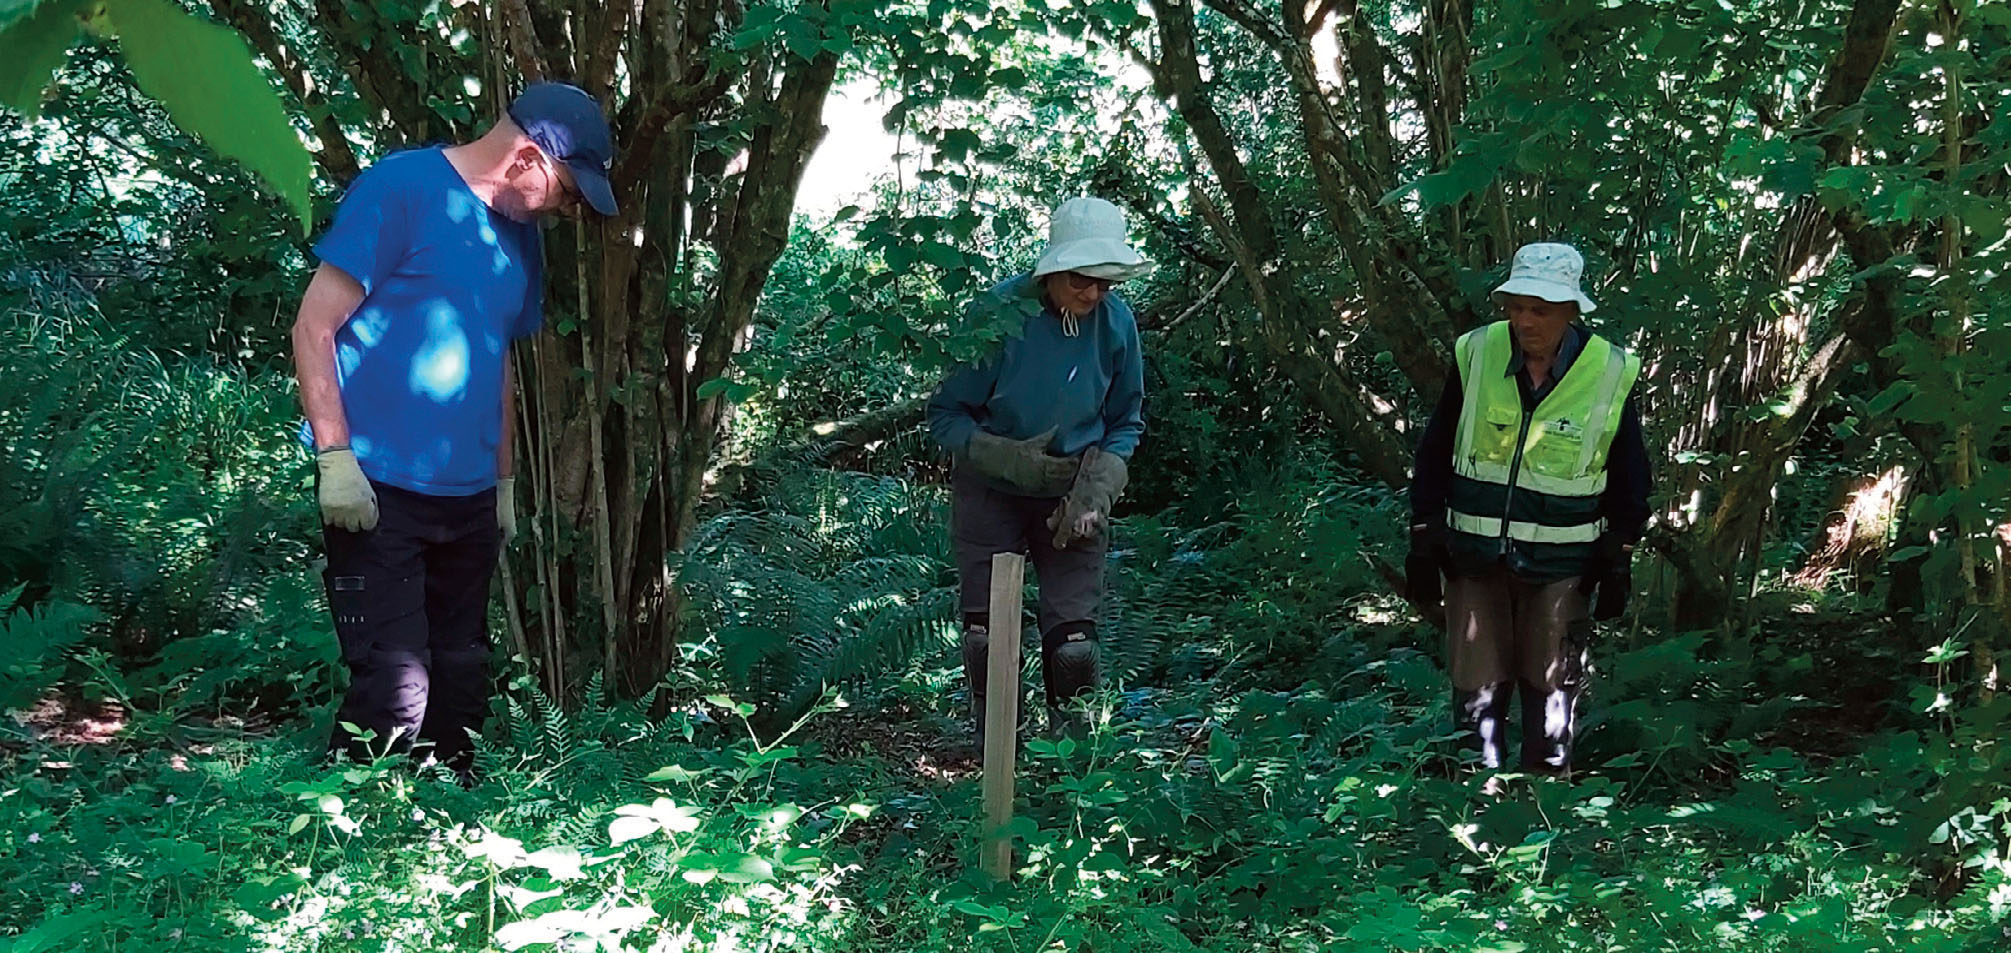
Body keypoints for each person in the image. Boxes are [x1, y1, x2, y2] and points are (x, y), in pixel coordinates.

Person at [291, 82, 617, 778]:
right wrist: (335, 458)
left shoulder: (519, 240)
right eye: (564, 190)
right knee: (392, 687)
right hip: (377, 487)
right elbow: (314, 326)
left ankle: (449, 842)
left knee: (461, 685)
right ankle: (352, 833)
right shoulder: (399, 189)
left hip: (467, 496)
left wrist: (501, 481)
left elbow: (495, 360)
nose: (564, 211)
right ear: (527, 157)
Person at [1405, 242, 1650, 776]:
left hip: (1564, 566)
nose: (1524, 320)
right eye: (1516, 306)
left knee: (1552, 687)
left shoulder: (1609, 370)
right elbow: (1436, 445)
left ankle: (1546, 805)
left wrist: (1621, 550)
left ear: (1571, 311)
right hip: (1472, 557)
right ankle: (1476, 800)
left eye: (1540, 309)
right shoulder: (1476, 353)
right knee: (1476, 688)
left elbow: (1631, 471)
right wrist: (1424, 532)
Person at [927, 197, 1150, 743]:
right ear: (1053, 270)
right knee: (988, 638)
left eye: (1106, 283)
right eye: (1082, 280)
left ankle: (1069, 771)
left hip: (1072, 493)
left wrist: (1098, 491)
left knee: (1075, 646)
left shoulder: (1117, 325)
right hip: (990, 494)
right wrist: (999, 455)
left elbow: (1127, 420)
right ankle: (995, 761)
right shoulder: (998, 315)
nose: (1094, 294)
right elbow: (945, 415)